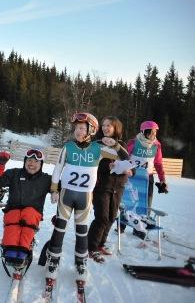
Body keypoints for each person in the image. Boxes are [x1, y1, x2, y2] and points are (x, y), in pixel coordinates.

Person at [45, 112, 129, 285]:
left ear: (91, 130)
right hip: (66, 195)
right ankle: (53, 260)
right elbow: (58, 168)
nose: (78, 131)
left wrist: (116, 145)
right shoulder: (68, 146)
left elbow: (125, 158)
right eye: (76, 128)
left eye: (82, 128)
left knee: (81, 232)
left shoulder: (98, 148)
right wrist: (54, 189)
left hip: (85, 197)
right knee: (59, 228)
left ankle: (81, 262)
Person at [0, 148, 53, 267]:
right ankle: (11, 249)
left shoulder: (46, 179)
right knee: (14, 217)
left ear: (41, 164)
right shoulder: (14, 173)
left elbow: (61, 186)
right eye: (29, 160)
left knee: (28, 213)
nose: (32, 164)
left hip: (33, 214)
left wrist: (56, 191)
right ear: (24, 161)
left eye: (36, 161)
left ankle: (24, 250)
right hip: (13, 211)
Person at [88, 116, 132, 263]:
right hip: (101, 186)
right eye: (104, 125)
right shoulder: (97, 144)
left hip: (118, 186)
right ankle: (91, 247)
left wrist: (130, 171)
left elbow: (129, 162)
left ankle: (100, 244)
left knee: (112, 217)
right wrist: (107, 166)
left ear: (116, 128)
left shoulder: (122, 144)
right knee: (102, 217)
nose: (105, 128)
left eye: (109, 126)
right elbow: (91, 164)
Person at [127, 120, 167, 211]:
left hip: (147, 178)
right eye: (151, 132)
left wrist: (162, 180)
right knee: (128, 203)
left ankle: (142, 223)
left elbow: (158, 164)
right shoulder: (133, 143)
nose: (154, 135)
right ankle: (121, 225)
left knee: (145, 206)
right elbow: (124, 158)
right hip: (132, 177)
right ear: (144, 132)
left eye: (155, 132)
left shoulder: (156, 145)